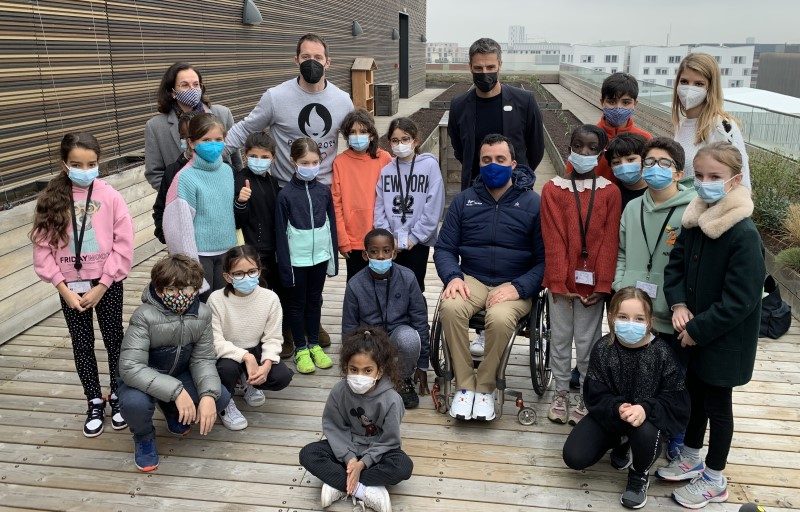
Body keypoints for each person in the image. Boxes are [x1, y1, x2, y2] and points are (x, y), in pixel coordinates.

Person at [657, 142, 765, 509]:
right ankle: (690, 454)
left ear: (734, 181)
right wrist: (679, 305)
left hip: (723, 341)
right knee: (695, 397)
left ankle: (715, 478)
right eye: (699, 176)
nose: (705, 183)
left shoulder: (743, 234)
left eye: (715, 177)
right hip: (693, 334)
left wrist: (698, 329)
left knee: (718, 407)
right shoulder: (695, 221)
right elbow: (675, 268)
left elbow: (741, 300)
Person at [434, 134, 545, 421]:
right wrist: (453, 277)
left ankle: (484, 387)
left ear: (513, 164)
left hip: (515, 282)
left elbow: (546, 261)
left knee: (499, 318)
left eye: (500, 159)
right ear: (479, 163)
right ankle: (464, 385)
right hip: (473, 278)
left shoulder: (534, 204)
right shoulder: (464, 201)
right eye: (486, 160)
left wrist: (519, 287)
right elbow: (445, 248)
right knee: (450, 307)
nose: (493, 165)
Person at [31, 132, 134, 438]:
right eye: (77, 163)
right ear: (65, 163)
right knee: (82, 342)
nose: (85, 169)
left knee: (115, 338)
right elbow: (42, 249)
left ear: (98, 163)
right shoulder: (51, 198)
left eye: (91, 163)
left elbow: (123, 243)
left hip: (107, 283)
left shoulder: (110, 195)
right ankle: (93, 398)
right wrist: (62, 287)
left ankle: (117, 395)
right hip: (70, 285)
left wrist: (103, 284)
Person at [562, 287, 690, 510]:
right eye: (623, 317)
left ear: (649, 320)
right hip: (613, 416)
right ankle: (621, 442)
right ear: (611, 317)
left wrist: (645, 409)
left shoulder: (662, 353)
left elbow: (676, 399)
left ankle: (639, 474)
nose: (630, 323)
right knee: (574, 456)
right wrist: (616, 406)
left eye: (639, 318)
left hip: (646, 422)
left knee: (645, 432)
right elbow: (594, 393)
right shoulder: (604, 348)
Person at [117, 254, 232, 472]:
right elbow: (130, 367)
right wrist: (176, 391)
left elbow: (203, 358)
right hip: (142, 378)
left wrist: (207, 394)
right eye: (171, 290)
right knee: (135, 404)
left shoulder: (203, 314)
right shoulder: (144, 316)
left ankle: (171, 409)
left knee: (220, 397)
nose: (180, 296)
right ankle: (143, 436)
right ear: (159, 290)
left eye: (188, 289)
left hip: (178, 373)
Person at [541, 124, 621, 426]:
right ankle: (560, 391)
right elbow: (554, 238)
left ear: (601, 152)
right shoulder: (552, 189)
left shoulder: (609, 192)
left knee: (588, 341)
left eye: (591, 148)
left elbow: (608, 240)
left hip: (592, 285)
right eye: (578, 146)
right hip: (561, 284)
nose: (584, 153)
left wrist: (602, 284)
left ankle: (588, 394)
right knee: (560, 338)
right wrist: (559, 283)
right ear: (569, 147)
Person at [299, 327, 413, 512]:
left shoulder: (392, 399)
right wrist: (350, 459)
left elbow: (389, 440)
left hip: (377, 452)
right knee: (308, 453)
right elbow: (334, 427)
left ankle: (341, 483)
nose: (360, 376)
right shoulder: (339, 391)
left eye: (367, 370)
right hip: (345, 449)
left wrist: (363, 464)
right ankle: (363, 489)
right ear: (346, 368)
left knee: (402, 467)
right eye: (354, 369)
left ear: (379, 370)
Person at [225, 33, 354, 186]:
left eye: (318, 57)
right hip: (285, 189)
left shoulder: (343, 100)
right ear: (296, 60)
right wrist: (210, 154)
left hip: (326, 190)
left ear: (327, 63)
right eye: (306, 57)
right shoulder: (275, 97)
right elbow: (245, 129)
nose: (312, 62)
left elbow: (357, 140)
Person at [208, 245, 294, 431]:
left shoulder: (270, 298)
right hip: (227, 353)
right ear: (227, 276)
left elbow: (273, 337)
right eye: (238, 274)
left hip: (256, 347)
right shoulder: (216, 299)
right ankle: (226, 401)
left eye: (252, 271)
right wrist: (246, 357)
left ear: (259, 271)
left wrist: (267, 364)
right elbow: (215, 340)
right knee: (227, 370)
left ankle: (249, 383)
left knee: (281, 376)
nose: (246, 277)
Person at [342, 228, 430, 410]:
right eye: (374, 252)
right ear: (365, 255)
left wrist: (422, 364)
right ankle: (375, 377)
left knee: (409, 338)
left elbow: (420, 320)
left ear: (394, 253)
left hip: (399, 333)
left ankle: (402, 379)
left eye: (386, 251)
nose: (380, 256)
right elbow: (349, 329)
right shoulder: (355, 284)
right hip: (369, 337)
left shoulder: (408, 277)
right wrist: (349, 368)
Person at [448, 37, 544, 190]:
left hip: (516, 189)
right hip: (475, 189)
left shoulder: (525, 101)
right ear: (470, 67)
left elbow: (536, 149)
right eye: (478, 68)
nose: (484, 73)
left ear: (500, 65)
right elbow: (460, 149)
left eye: (490, 67)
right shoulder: (459, 105)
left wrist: (519, 174)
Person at [276, 137, 338, 374]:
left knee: (315, 301)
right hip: (296, 261)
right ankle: (300, 348)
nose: (310, 166)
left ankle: (314, 343)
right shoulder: (285, 195)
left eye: (314, 162)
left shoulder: (324, 191)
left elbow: (331, 226)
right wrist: (285, 267)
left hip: (319, 259)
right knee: (296, 304)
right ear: (294, 161)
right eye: (305, 162)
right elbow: (281, 235)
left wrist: (332, 260)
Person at [232, 132, 295, 357]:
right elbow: (238, 221)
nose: (259, 160)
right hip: (252, 251)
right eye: (254, 155)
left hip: (274, 249)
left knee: (279, 294)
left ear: (273, 158)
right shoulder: (240, 179)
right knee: (256, 298)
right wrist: (241, 202)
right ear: (245, 155)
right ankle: (256, 342)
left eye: (264, 156)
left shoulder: (272, 181)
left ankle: (281, 334)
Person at [163, 113, 237, 301]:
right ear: (192, 142)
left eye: (218, 139)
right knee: (203, 310)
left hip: (226, 253)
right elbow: (179, 229)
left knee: (225, 306)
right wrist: (190, 267)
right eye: (206, 140)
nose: (213, 144)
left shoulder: (228, 171)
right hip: (200, 257)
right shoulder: (185, 178)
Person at [374, 117, 445, 292]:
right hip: (391, 242)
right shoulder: (386, 171)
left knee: (414, 287)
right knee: (390, 287)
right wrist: (388, 238)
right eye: (395, 140)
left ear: (415, 141)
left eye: (405, 139)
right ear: (389, 143)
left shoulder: (429, 166)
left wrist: (415, 237)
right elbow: (380, 207)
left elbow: (434, 205)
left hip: (418, 241)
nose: (400, 144)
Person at [144, 62, 240, 190]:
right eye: (184, 85)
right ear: (172, 92)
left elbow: (236, 160)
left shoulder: (222, 114)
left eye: (196, 84)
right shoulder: (156, 127)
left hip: (222, 192)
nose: (192, 89)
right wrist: (177, 194)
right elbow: (154, 173)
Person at [671, 53, 751, 188]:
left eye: (699, 84)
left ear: (710, 88)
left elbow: (742, 183)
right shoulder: (681, 124)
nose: (689, 89)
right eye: (684, 82)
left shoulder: (722, 126)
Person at [332, 109, 392, 280]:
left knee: (383, 283)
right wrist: (342, 240)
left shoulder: (384, 158)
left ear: (372, 134)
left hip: (381, 236)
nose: (358, 136)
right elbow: (336, 203)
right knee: (356, 285)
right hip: (353, 239)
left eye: (363, 131)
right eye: (352, 132)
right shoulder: (340, 162)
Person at [567, 73, 652, 184]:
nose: (618, 107)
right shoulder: (588, 138)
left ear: (635, 103)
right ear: (602, 102)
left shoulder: (645, 139)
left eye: (626, 102)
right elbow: (571, 175)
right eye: (612, 102)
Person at [153, 111, 197, 244]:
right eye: (184, 136)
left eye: (194, 136)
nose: (190, 142)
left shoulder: (223, 168)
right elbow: (160, 209)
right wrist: (166, 235)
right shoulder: (173, 171)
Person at [606, 133, 648, 210]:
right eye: (616, 162)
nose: (624, 165)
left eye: (631, 159)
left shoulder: (656, 193)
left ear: (645, 159)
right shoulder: (610, 194)